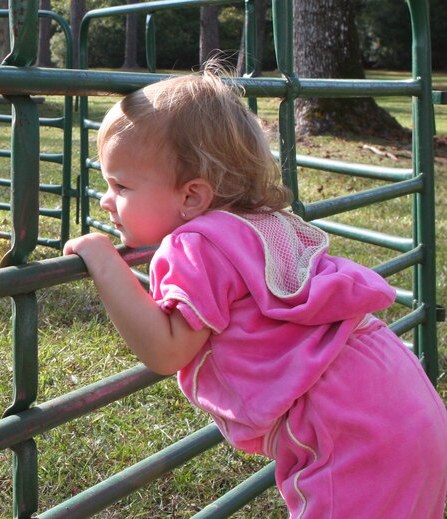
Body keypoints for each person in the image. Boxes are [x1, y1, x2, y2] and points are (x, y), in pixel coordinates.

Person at [62, 66, 447, 518]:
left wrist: (103, 260)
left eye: (120, 186)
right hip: (397, 395)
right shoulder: (265, 224)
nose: (107, 200)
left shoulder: (195, 244)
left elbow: (166, 351)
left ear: (191, 197)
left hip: (347, 424)